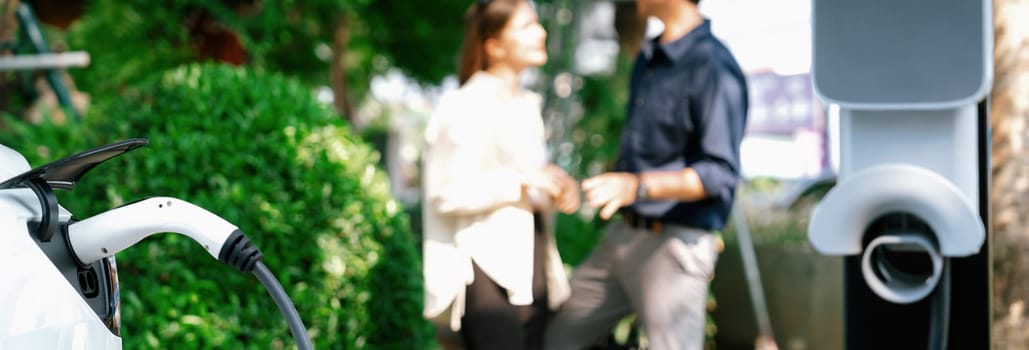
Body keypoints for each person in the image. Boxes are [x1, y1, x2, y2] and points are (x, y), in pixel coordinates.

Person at [543, 0, 748, 349]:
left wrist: (637, 186)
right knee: (558, 338)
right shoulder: (649, 57)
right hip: (625, 233)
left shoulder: (713, 65)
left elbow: (719, 173)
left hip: (674, 243)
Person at [421, 0, 581, 349]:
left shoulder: (526, 105)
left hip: (531, 259)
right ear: (493, 45)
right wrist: (524, 180)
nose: (540, 33)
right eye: (526, 26)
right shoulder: (464, 104)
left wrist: (556, 187)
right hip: (485, 267)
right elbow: (445, 191)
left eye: (537, 23)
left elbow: (526, 185)